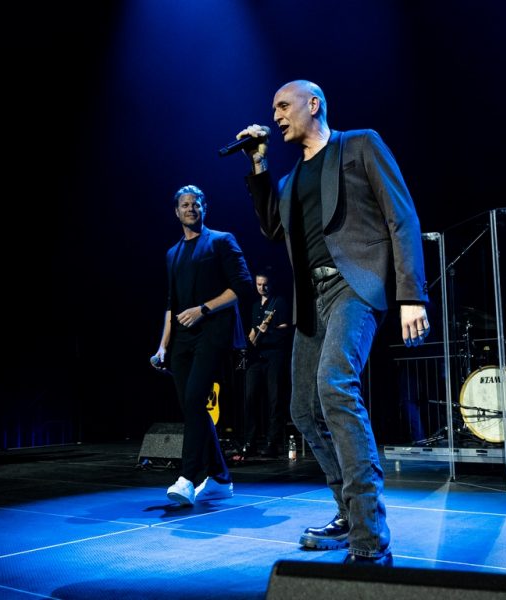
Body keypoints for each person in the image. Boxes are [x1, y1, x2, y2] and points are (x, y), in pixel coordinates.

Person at [234, 80, 429, 566]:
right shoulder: (292, 178)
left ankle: (369, 534)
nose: (276, 115)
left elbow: (400, 217)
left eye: (283, 106)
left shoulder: (360, 143)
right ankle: (347, 512)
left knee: (335, 386)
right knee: (303, 408)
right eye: (272, 109)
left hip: (355, 286)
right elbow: (271, 229)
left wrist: (411, 295)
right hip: (311, 299)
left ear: (312, 104)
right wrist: (257, 163)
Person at [151, 184, 253, 506]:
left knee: (196, 397)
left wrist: (203, 309)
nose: (190, 209)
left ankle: (188, 477)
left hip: (212, 332)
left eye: (196, 204)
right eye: (184, 205)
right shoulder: (172, 254)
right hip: (181, 338)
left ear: (204, 208)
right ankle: (220, 478)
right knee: (191, 406)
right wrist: (162, 346)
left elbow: (243, 287)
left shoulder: (222, 241)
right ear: (176, 212)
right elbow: (170, 303)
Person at [242, 271, 292, 458]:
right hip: (257, 357)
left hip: (275, 356)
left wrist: (267, 330)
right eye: (258, 284)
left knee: (274, 399)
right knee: (250, 398)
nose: (262, 288)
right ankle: (250, 441)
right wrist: (253, 334)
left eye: (265, 284)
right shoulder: (255, 305)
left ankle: (273, 442)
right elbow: (252, 331)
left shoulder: (279, 302)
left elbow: (285, 328)